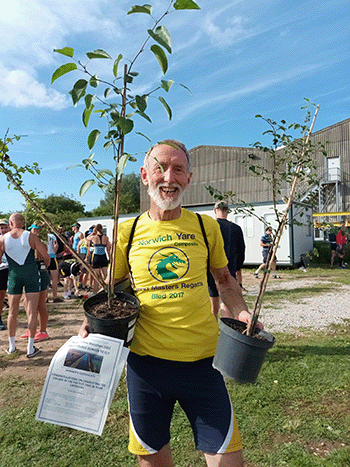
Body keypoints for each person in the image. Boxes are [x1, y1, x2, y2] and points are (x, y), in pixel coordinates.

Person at [79, 139, 261, 467]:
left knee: (230, 462)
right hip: (146, 367)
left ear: (189, 178)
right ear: (145, 175)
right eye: (160, 167)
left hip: (204, 363)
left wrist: (242, 311)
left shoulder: (207, 227)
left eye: (178, 169)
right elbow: (114, 289)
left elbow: (225, 282)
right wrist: (95, 316)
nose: (168, 177)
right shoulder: (127, 230)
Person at [0, 213, 50, 357]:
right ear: (24, 223)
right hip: (31, 275)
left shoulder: (3, 238)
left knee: (12, 312)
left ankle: (11, 346)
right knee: (31, 311)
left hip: (14, 275)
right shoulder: (31, 236)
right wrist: (45, 267)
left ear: (10, 223)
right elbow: (45, 256)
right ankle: (30, 348)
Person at [208, 201, 245, 319]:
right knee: (227, 304)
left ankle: (213, 331)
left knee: (213, 307)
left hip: (212, 271)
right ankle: (226, 330)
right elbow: (241, 250)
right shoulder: (236, 228)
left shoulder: (211, 226)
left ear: (215, 211)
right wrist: (237, 266)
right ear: (227, 211)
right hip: (230, 269)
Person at [20, 224, 51, 343]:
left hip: (40, 273)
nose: (34, 231)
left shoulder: (40, 242)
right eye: (33, 229)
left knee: (40, 305)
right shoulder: (27, 242)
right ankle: (31, 329)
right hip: (31, 274)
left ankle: (43, 331)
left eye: (36, 229)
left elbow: (46, 258)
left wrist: (42, 268)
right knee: (27, 303)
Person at [88, 224, 111, 293]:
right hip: (103, 257)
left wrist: (92, 232)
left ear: (96, 229)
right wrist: (110, 258)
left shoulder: (93, 237)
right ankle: (108, 291)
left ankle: (95, 292)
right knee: (106, 276)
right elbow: (108, 249)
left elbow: (86, 238)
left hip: (96, 257)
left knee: (96, 277)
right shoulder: (106, 238)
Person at [0, 219, 10, 331]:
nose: (3, 230)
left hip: (11, 269)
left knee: (4, 294)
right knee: (1, 294)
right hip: (1, 269)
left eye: (5, 227)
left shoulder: (15, 239)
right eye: (1, 228)